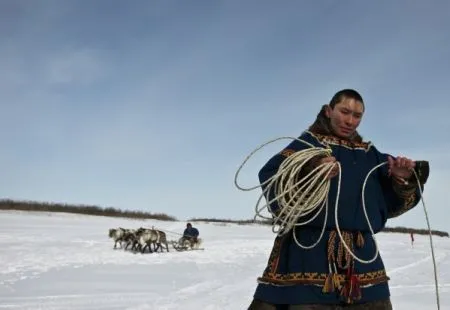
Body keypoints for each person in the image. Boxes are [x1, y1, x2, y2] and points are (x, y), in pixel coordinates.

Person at [247, 89, 430, 310]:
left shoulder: (371, 155)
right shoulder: (306, 145)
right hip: (306, 254)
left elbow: (392, 202)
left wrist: (401, 179)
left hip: (362, 260)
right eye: (344, 112)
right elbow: (273, 175)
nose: (350, 121)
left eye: (357, 115)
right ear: (328, 110)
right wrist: (311, 169)